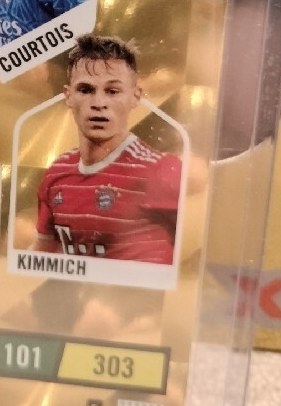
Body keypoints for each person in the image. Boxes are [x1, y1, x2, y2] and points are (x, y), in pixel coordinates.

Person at [34, 35, 181, 264]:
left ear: (135, 96)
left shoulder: (162, 170)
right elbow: (41, 255)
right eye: (85, 90)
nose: (98, 103)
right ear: (68, 96)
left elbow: (191, 268)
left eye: (112, 91)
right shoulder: (56, 173)